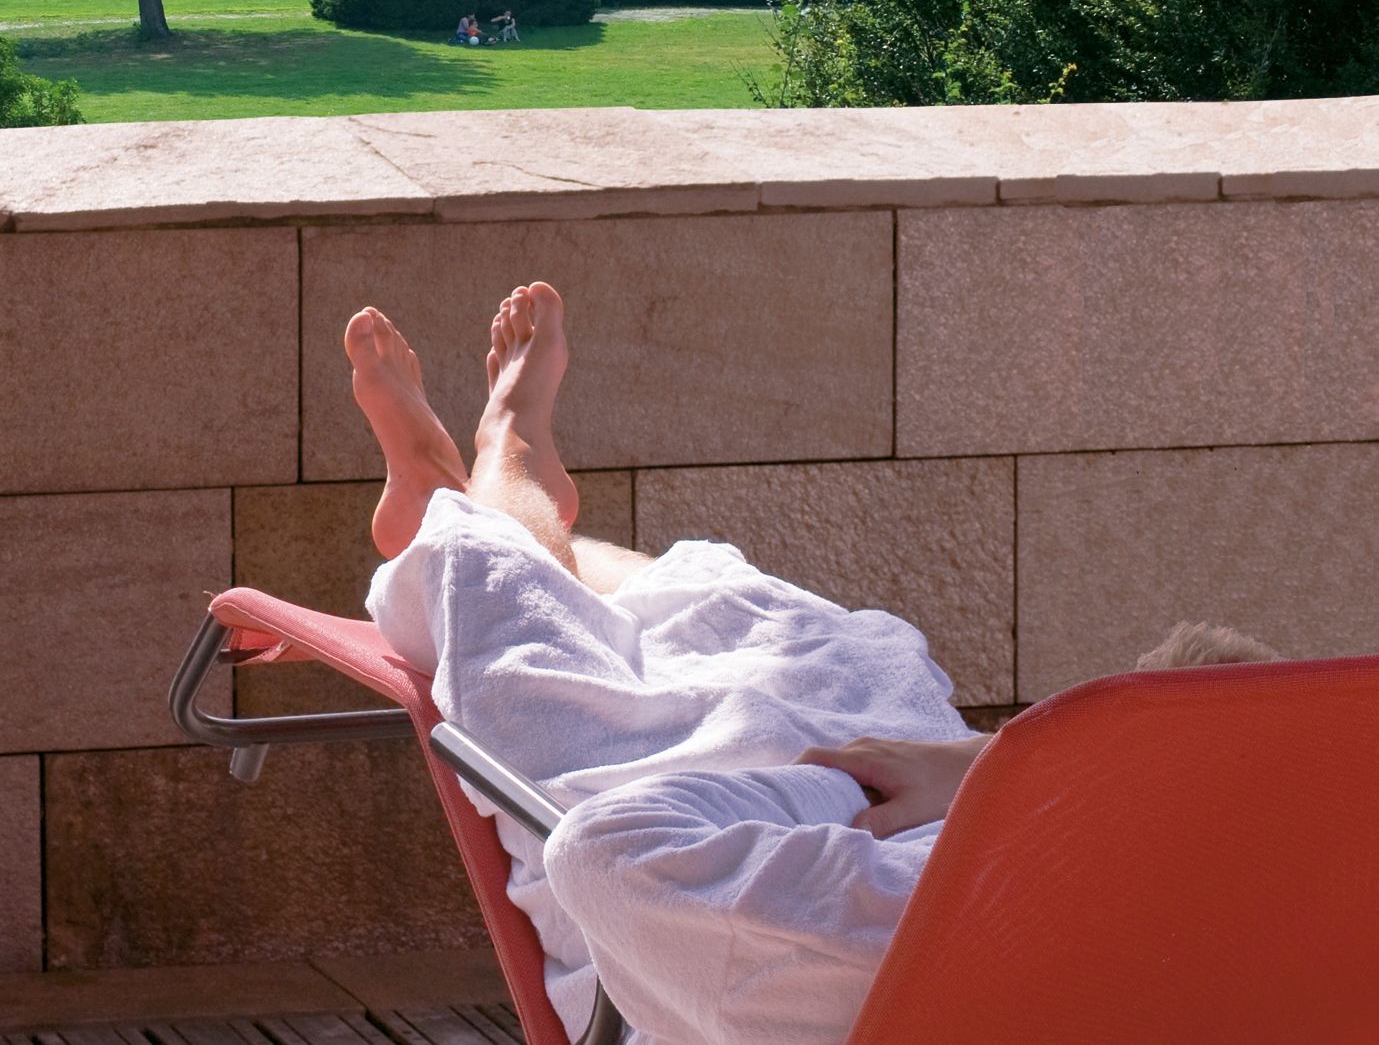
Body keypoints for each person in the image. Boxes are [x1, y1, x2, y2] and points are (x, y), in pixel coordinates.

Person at [345, 283, 1281, 1045]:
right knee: (741, 622)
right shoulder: (1276, 939)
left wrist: (994, 772)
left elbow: (604, 848)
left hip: (719, 828)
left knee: (557, 634)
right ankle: (479, 500)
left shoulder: (932, 932)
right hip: (927, 797)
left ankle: (487, 465)